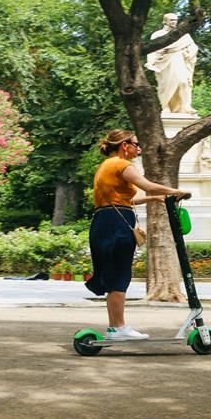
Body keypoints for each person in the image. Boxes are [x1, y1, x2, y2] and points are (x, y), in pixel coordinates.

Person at [86, 129, 191, 340]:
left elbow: (123, 200)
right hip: (115, 225)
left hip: (105, 222)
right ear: (125, 145)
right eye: (135, 143)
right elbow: (147, 185)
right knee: (119, 275)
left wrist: (155, 199)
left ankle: (115, 327)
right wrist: (175, 191)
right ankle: (118, 328)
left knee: (115, 275)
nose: (139, 148)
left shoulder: (106, 166)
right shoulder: (122, 165)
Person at [145, 13, 199, 114]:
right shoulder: (157, 35)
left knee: (183, 81)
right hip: (164, 62)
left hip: (179, 59)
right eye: (172, 20)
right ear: (165, 21)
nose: (174, 22)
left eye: (175, 20)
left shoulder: (182, 35)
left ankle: (186, 106)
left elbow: (193, 47)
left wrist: (190, 52)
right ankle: (166, 107)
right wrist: (152, 61)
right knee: (166, 85)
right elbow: (152, 50)